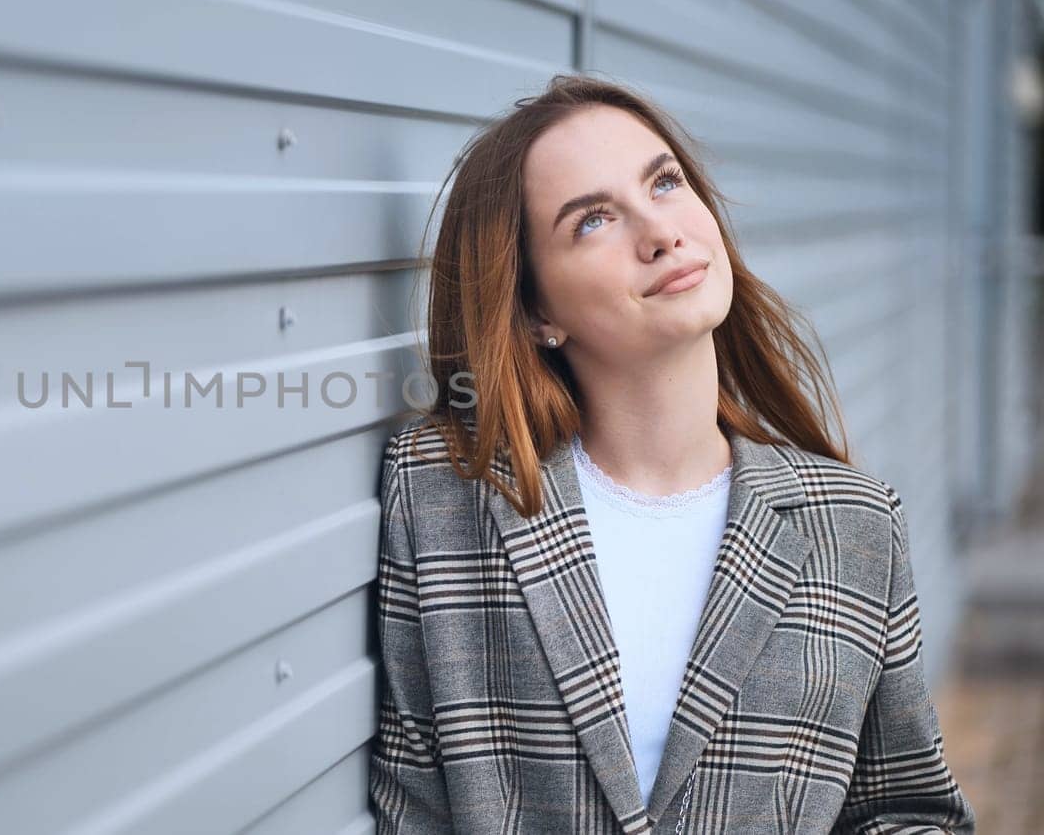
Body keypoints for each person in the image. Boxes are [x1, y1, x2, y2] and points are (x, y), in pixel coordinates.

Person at [368, 73, 977, 834]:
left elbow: (907, 810)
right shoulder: (445, 496)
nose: (659, 233)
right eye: (592, 220)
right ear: (535, 312)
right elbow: (412, 809)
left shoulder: (855, 522)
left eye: (663, 182)